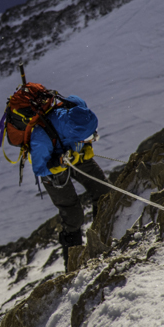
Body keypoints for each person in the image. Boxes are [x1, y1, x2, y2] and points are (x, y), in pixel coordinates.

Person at [27, 94, 111, 267]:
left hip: (73, 152)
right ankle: (74, 265)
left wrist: (86, 146)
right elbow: (39, 168)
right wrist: (59, 163)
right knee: (73, 216)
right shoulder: (41, 138)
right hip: (53, 169)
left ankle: (105, 240)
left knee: (103, 191)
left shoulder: (78, 108)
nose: (92, 138)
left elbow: (80, 120)